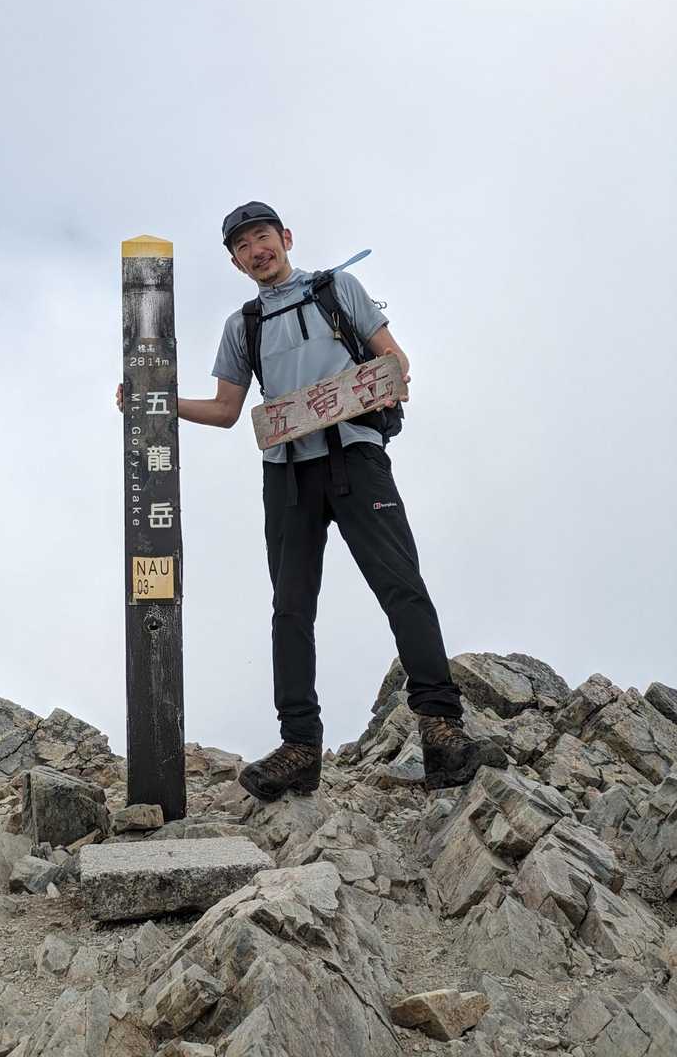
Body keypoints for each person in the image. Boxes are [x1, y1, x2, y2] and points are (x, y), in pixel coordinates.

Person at [121, 202, 506, 800]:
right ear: (235, 263)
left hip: (356, 457)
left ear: (286, 238)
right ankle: (299, 746)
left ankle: (441, 729)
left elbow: (394, 359)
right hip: (288, 474)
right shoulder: (243, 325)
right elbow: (226, 410)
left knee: (401, 586)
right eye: (243, 246)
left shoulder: (336, 290)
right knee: (291, 608)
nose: (256, 251)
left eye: (263, 237)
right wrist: (156, 400)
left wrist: (377, 386)